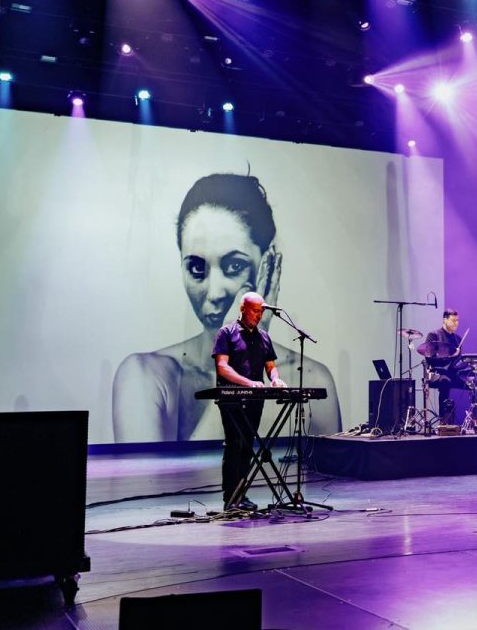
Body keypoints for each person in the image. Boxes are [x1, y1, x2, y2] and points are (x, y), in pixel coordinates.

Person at [112, 173, 340, 442]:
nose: (215, 293)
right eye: (196, 268)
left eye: (234, 266)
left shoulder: (311, 379)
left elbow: (333, 469)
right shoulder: (144, 376)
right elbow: (181, 471)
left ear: (267, 264)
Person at [213, 291, 285, 510]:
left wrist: (275, 379)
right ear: (243, 309)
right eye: (255, 311)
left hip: (255, 399)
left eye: (261, 311)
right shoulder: (227, 332)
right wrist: (248, 383)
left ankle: (241, 495)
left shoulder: (263, 337)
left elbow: (270, 366)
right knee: (234, 444)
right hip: (232, 398)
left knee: (247, 445)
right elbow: (222, 367)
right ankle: (230, 497)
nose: (259, 315)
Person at [419, 308, 476, 425]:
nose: (456, 323)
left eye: (457, 320)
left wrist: (467, 364)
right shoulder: (434, 335)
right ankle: (443, 422)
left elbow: (457, 364)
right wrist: (450, 357)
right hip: (437, 373)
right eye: (453, 320)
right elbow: (430, 359)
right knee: (445, 381)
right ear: (445, 320)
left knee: (476, 383)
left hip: (452, 373)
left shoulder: (458, 339)